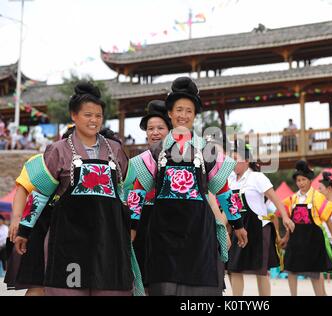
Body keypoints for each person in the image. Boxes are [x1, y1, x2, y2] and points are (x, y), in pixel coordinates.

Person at [13, 82, 137, 296]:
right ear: (74, 116)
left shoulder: (115, 149)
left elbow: (126, 191)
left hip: (109, 237)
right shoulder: (57, 150)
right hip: (69, 238)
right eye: (88, 115)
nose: (94, 120)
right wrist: (25, 230)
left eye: (98, 116)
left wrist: (132, 224)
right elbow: (41, 194)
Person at [127, 76, 247, 296]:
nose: (183, 115)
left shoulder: (207, 149)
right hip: (163, 231)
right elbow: (138, 189)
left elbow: (222, 189)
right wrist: (133, 226)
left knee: (199, 283)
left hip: (199, 230)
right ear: (170, 113)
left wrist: (237, 223)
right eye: (179, 110)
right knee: (164, 282)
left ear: (194, 115)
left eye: (189, 111)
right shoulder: (156, 151)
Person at [227, 141, 294, 296]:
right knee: (234, 268)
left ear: (246, 161)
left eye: (234, 159)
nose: (231, 163)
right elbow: (228, 208)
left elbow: (275, 199)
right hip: (239, 229)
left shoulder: (257, 177)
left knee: (260, 271)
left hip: (259, 228)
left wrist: (284, 217)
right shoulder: (230, 180)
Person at [127, 100, 172, 292]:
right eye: (150, 128)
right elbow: (132, 196)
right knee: (145, 276)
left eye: (160, 127)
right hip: (143, 223)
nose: (155, 132)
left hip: (173, 220)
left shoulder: (184, 159)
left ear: (170, 130)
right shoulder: (137, 162)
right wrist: (131, 226)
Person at [281, 160, 332, 296]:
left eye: (303, 180)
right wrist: (286, 237)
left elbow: (328, 220)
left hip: (313, 240)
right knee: (291, 270)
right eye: (298, 180)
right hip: (295, 240)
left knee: (315, 274)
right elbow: (287, 219)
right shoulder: (292, 198)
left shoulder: (318, 197)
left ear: (310, 180)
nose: (301, 183)